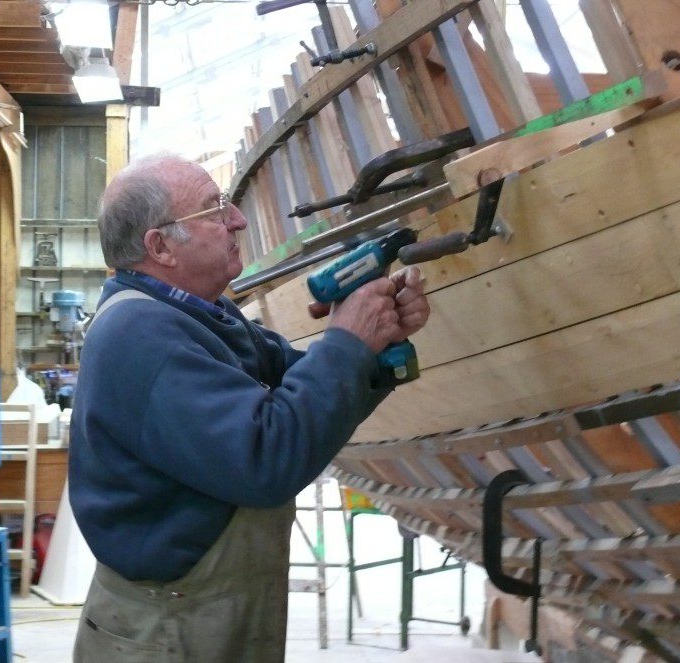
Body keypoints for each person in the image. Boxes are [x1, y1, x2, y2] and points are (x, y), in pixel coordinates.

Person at [69, 154, 430, 662]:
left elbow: (304, 404)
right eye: (213, 209)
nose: (237, 219)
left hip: (209, 611)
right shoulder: (139, 334)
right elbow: (267, 457)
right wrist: (347, 341)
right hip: (167, 631)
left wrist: (375, 342)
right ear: (160, 246)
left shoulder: (206, 316)